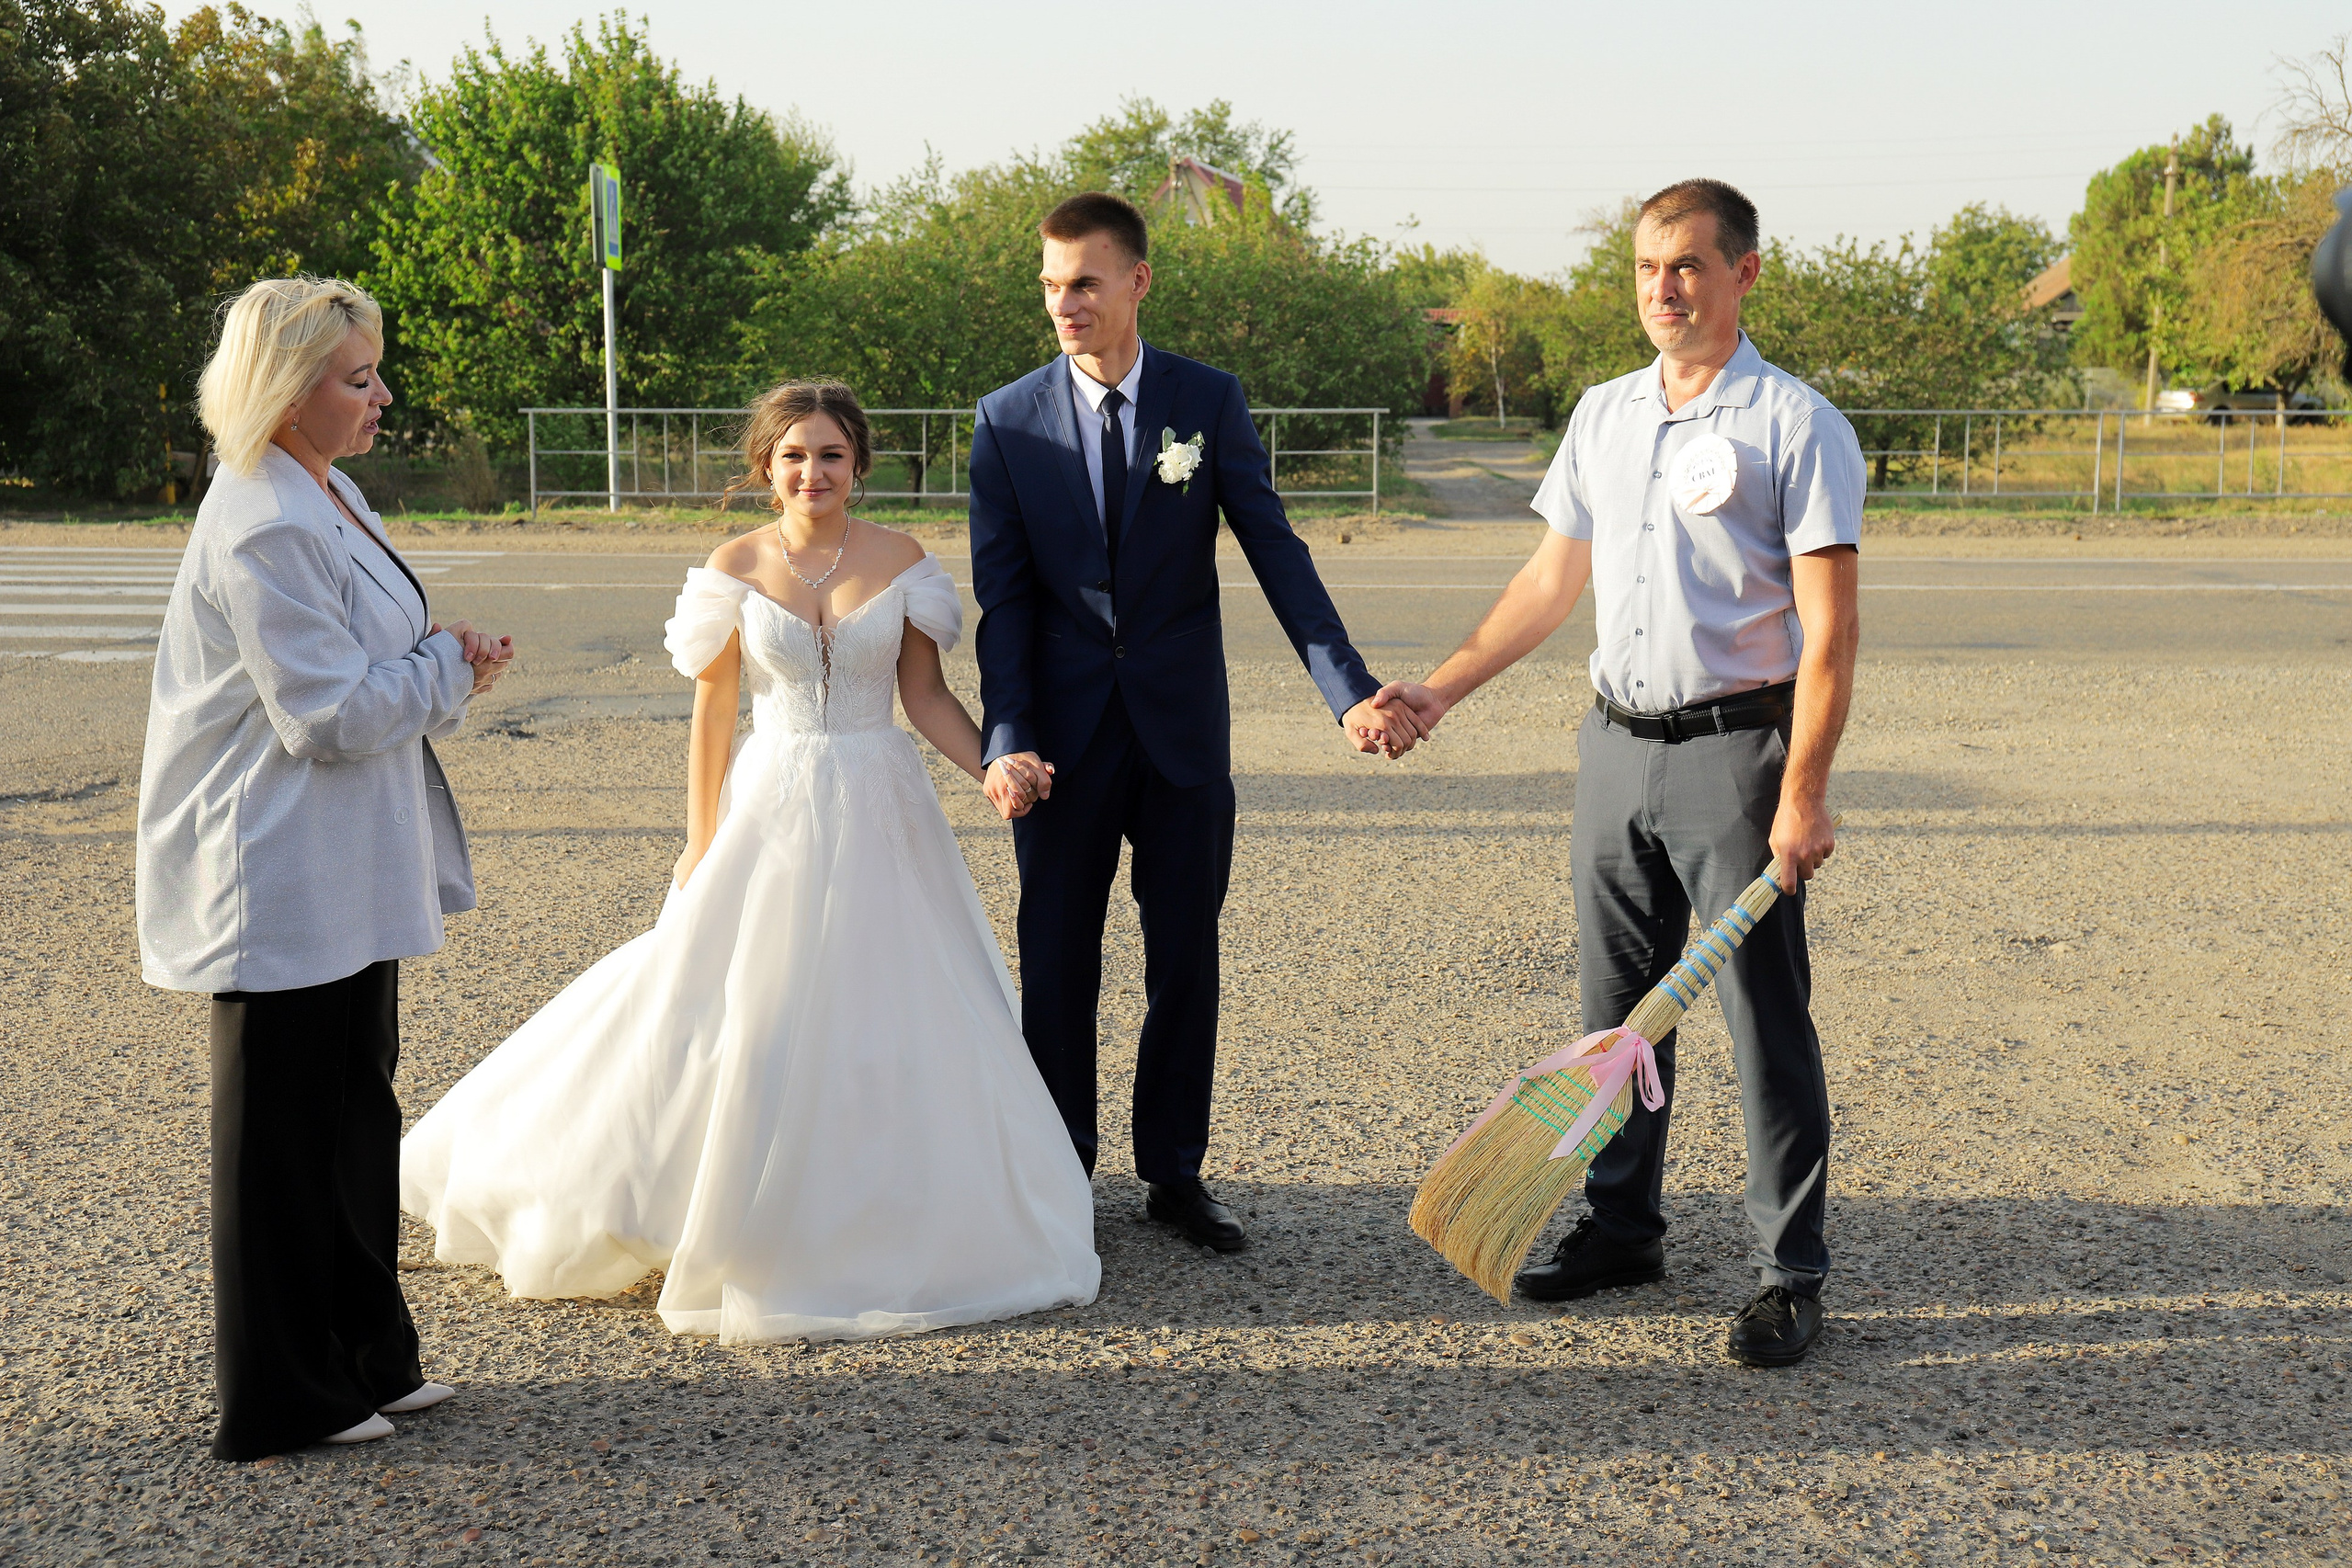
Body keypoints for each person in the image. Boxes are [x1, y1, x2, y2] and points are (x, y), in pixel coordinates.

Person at [400, 381, 1099, 1343]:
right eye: (794, 457)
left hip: (879, 798)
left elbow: (926, 696)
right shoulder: (734, 564)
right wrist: (700, 838)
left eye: (831, 456)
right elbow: (715, 713)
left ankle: (882, 1201)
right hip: (769, 800)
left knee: (892, 998)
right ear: (766, 468)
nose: (813, 473)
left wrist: (991, 764)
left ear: (860, 463)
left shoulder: (903, 564)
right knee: (732, 999)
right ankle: (695, 1194)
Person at [1374, 179, 1862, 1366]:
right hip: (1614, 746)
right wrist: (1441, 686)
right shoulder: (1604, 414)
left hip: (1736, 753)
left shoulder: (1794, 424)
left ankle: (1787, 1270)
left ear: (1745, 274)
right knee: (1616, 1019)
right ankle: (1622, 1227)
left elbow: (1831, 630)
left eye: (1691, 264)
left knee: (1762, 1018)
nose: (1665, 287)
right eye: (1649, 267)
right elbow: (1549, 585)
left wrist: (1803, 787)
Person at [967, 192, 1424, 1256]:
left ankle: (1174, 1172)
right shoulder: (1005, 419)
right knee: (1058, 958)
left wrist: (1346, 689)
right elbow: (1008, 603)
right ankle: (1056, 1173)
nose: (1063, 302)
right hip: (1061, 747)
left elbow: (1275, 551)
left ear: (1137, 281)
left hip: (1181, 735)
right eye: (1049, 284)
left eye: (1083, 281)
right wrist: (1006, 739)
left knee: (1185, 956)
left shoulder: (1205, 401)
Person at [137, 276, 513, 1460]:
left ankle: (365, 1352)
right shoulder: (261, 519)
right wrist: (447, 672)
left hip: (340, 856)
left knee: (355, 1109)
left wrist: (440, 652)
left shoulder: (328, 489)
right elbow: (327, 715)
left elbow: (372, 656)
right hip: (276, 862)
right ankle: (280, 1393)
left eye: (372, 372)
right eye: (358, 380)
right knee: (282, 1138)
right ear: (285, 392)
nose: (382, 395)